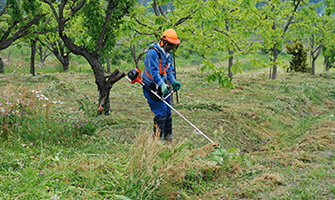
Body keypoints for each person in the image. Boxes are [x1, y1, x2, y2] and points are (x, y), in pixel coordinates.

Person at [142, 28, 182, 142]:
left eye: (173, 45)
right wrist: (161, 85)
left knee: (168, 110)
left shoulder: (168, 55)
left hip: (162, 86)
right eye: (170, 44)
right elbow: (154, 72)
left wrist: (173, 81)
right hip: (151, 86)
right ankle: (157, 138)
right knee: (161, 110)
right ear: (163, 42)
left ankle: (168, 135)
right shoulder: (153, 53)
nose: (171, 47)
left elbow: (169, 71)